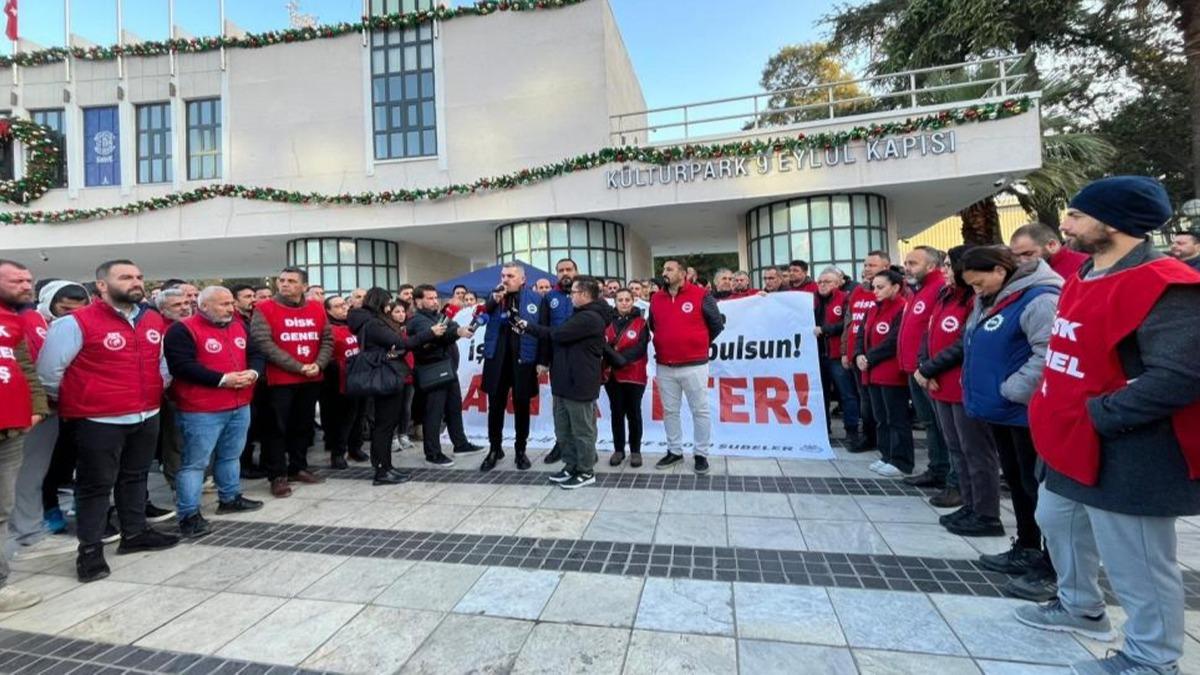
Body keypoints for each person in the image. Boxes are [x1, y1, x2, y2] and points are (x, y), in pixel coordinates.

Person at [1019, 176, 1199, 675]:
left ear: (1114, 223)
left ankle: (1152, 658)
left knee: (1137, 560)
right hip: (1071, 439)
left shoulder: (1167, 284)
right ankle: (1080, 606)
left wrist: (1100, 416)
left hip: (1129, 448)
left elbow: (1179, 377)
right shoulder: (1083, 274)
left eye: (1077, 215)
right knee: (1057, 521)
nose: (1066, 224)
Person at [38, 259, 180, 583]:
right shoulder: (74, 323)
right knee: (95, 486)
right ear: (102, 285)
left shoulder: (152, 318)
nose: (136, 282)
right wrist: (87, 397)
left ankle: (135, 533)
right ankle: (90, 551)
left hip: (146, 413)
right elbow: (49, 374)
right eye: (126, 277)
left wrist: (159, 386)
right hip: (98, 419)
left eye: (139, 276)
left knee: (135, 477)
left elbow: (159, 362)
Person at [960, 245, 1061, 602]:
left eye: (979, 282)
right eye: (970, 286)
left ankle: (1054, 563)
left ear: (1001, 270)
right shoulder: (991, 299)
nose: (976, 290)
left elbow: (1048, 351)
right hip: (1000, 410)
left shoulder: (1040, 299)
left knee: (1038, 488)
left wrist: (1012, 389)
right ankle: (1027, 545)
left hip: (1024, 410)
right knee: (1018, 484)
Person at [164, 286, 264, 538]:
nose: (230, 308)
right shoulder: (182, 329)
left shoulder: (239, 325)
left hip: (239, 404)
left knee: (231, 456)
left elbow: (255, 353)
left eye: (231, 303)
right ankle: (188, 514)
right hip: (201, 409)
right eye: (223, 304)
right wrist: (222, 379)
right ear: (203, 306)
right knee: (195, 463)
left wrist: (252, 373)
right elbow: (182, 366)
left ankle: (229, 498)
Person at [917, 246, 1003, 535]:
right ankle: (969, 504)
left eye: (947, 265)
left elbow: (962, 342)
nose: (943, 271)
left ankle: (987, 513)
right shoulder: (944, 296)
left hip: (961, 384)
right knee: (957, 448)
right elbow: (928, 334)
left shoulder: (975, 300)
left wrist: (929, 368)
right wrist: (923, 366)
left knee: (976, 451)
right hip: (938, 384)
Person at [518, 277, 610, 487]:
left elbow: (558, 334)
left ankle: (586, 470)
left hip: (580, 383)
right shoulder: (578, 314)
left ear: (585, 295)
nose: (570, 296)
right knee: (563, 430)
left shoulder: (591, 317)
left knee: (582, 430)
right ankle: (571, 465)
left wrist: (528, 326)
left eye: (574, 292)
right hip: (563, 382)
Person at [250, 267, 332, 498]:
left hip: (311, 377)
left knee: (303, 426)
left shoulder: (316, 308)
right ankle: (277, 475)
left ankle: (298, 467)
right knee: (276, 429)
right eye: (282, 280)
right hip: (279, 380)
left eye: (291, 281)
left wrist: (319, 363)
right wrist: (298, 366)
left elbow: (326, 339)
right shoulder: (264, 308)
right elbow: (263, 343)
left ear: (304, 287)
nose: (284, 284)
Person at [348, 288, 443, 483]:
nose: (390, 306)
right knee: (384, 425)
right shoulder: (374, 324)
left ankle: (387, 466)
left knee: (386, 424)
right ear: (381, 303)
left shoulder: (369, 322)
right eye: (388, 302)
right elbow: (401, 343)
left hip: (386, 371)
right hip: (385, 376)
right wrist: (430, 333)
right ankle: (382, 471)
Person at [0, 260, 49, 610]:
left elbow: (24, 367)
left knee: (3, 509)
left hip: (10, 429)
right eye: (16, 280)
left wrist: (36, 406)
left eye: (28, 280)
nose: (25, 285)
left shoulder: (12, 320)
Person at [649, 259, 724, 474]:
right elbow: (654, 326)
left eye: (669, 269)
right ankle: (674, 451)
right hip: (665, 365)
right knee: (670, 411)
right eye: (663, 269)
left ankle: (701, 454)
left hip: (695, 365)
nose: (664, 272)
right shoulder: (656, 299)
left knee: (699, 410)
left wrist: (698, 343)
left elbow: (716, 324)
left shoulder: (701, 295)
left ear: (682, 274)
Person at [897, 247, 956, 501]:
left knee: (946, 429)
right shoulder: (917, 291)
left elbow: (935, 334)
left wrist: (927, 366)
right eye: (906, 262)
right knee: (931, 424)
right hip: (915, 369)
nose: (907, 267)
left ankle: (954, 479)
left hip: (931, 371)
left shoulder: (939, 289)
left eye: (913, 263)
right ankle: (938, 469)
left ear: (931, 267)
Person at [32, 281, 89, 538]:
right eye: (65, 308)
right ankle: (49, 509)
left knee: (77, 460)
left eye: (78, 308)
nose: (72, 314)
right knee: (49, 465)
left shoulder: (84, 325)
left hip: (78, 407)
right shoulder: (32, 325)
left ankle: (81, 504)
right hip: (46, 408)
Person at [480, 263, 546, 471]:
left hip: (523, 360)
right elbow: (480, 316)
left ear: (522, 279)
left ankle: (520, 450)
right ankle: (494, 449)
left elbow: (543, 332)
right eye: (503, 275)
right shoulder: (493, 298)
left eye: (510, 275)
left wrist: (542, 361)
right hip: (496, 360)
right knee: (495, 407)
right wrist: (493, 300)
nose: (505, 279)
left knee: (522, 406)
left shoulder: (536, 300)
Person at [410, 285, 482, 462]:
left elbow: (452, 325)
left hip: (448, 369)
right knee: (434, 413)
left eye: (436, 298)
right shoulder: (417, 320)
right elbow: (442, 333)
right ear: (418, 301)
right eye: (430, 298)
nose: (435, 301)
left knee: (454, 407)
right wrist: (457, 331)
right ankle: (432, 452)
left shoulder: (437, 315)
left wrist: (458, 329)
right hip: (432, 370)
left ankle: (460, 443)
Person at [855, 268, 912, 477]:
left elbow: (893, 340)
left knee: (896, 417)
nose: (875, 291)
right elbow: (861, 334)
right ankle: (886, 454)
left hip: (890, 373)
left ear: (895, 287)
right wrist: (858, 354)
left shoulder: (902, 308)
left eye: (880, 287)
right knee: (880, 417)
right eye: (874, 287)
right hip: (870, 373)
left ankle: (901, 460)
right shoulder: (872, 309)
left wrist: (869, 357)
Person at [842, 251, 891, 453]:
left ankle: (885, 442)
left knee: (881, 405)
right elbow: (849, 322)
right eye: (865, 265)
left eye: (872, 265)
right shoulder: (857, 292)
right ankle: (869, 437)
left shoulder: (891, 291)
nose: (866, 269)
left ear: (885, 267)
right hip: (856, 356)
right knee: (865, 402)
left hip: (877, 359)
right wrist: (846, 351)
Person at [602, 288, 649, 467]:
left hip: (634, 375)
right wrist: (614, 359)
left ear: (633, 301)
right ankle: (619, 450)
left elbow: (641, 347)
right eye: (620, 299)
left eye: (627, 299)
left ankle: (635, 451)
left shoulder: (641, 323)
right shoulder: (606, 322)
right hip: (612, 376)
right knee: (617, 413)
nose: (624, 303)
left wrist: (621, 358)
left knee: (634, 414)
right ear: (615, 301)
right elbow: (602, 344)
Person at [814, 268, 860, 444]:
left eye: (827, 281)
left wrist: (826, 330)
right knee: (821, 394)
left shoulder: (845, 298)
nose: (823, 285)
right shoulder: (812, 301)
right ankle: (824, 429)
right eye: (820, 282)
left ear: (837, 283)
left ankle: (852, 430)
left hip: (837, 355)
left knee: (847, 394)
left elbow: (848, 323)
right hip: (818, 355)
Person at [321, 295, 368, 469]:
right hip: (340, 381)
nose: (344, 308)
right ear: (328, 310)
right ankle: (338, 453)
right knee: (344, 419)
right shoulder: (328, 329)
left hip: (361, 378)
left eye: (344, 304)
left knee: (359, 416)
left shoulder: (354, 326)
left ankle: (356, 448)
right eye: (338, 306)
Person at [543, 258, 578, 465]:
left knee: (583, 406)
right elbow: (544, 329)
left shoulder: (586, 293)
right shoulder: (549, 297)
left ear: (576, 271)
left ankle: (583, 446)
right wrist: (543, 360)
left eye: (569, 269)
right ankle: (561, 443)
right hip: (558, 360)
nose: (565, 273)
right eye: (560, 270)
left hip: (582, 359)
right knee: (560, 405)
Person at [1009, 222, 1089, 280]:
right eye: (1016, 256)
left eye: (1028, 254)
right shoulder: (1022, 273)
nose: (1022, 261)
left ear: (1052, 245)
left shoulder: (1085, 266)